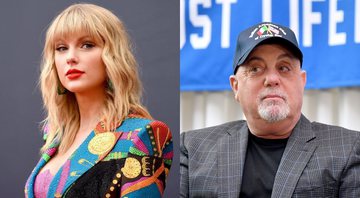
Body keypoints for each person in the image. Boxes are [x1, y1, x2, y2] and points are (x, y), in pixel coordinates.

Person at [180, 22, 360, 197]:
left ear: (302, 81)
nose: (272, 79)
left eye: (284, 68)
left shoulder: (348, 148)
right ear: (236, 87)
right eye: (256, 68)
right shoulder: (192, 148)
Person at [24, 4, 173, 198]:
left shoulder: (142, 135)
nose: (70, 57)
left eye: (87, 45)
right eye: (61, 48)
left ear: (112, 56)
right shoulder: (54, 134)